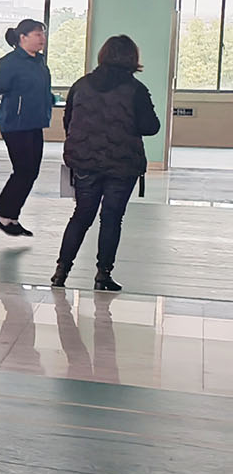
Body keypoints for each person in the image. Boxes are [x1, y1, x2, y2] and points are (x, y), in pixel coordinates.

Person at [53, 34, 161, 292]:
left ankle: (61, 272)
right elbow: (151, 127)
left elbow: (68, 121)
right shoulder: (136, 90)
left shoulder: (81, 85)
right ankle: (103, 275)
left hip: (84, 162)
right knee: (111, 218)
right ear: (132, 58)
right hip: (122, 164)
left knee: (81, 215)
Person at [0, 19, 54, 237]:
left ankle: (9, 217)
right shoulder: (10, 62)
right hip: (16, 124)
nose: (42, 38)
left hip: (35, 122)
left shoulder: (39, 62)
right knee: (24, 170)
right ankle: (4, 217)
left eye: (43, 34)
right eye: (37, 34)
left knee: (30, 172)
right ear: (22, 38)